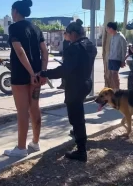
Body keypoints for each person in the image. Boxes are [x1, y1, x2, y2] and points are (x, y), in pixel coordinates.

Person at [40, 19, 97, 162]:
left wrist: (45, 73)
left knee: (76, 118)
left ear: (73, 34)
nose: (67, 37)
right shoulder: (90, 45)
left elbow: (64, 70)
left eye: (67, 34)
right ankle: (78, 134)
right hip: (86, 83)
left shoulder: (74, 47)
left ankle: (81, 151)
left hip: (75, 86)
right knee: (78, 115)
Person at [3, 0, 49, 158]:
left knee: (22, 111)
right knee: (34, 108)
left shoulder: (14, 28)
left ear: (15, 11)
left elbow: (20, 51)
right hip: (36, 74)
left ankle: (21, 148)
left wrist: (30, 72)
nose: (11, 13)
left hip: (22, 74)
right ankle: (35, 143)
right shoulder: (36, 29)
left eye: (11, 10)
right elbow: (45, 51)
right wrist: (41, 72)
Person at [106, 22, 127, 90]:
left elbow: (124, 49)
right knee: (112, 75)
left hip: (116, 59)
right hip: (111, 58)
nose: (107, 30)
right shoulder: (112, 37)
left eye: (107, 28)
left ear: (111, 28)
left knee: (115, 75)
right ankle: (114, 90)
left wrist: (123, 60)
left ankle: (118, 90)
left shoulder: (120, 36)